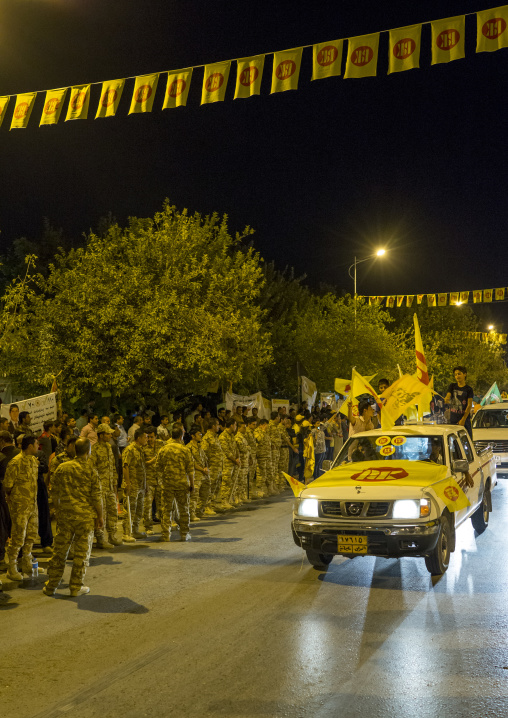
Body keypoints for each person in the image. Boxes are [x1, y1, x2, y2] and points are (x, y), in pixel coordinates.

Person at [43, 438, 103, 597]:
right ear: (88, 451)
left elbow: (54, 492)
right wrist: (100, 516)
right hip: (85, 518)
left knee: (59, 552)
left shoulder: (62, 468)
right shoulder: (91, 470)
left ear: (75, 450)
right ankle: (76, 587)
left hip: (65, 516)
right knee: (81, 554)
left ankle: (51, 586)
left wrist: (58, 509)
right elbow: (96, 497)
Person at [3, 436, 39, 581]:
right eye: (36, 444)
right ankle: (12, 567)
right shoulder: (15, 462)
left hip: (32, 505)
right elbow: (7, 485)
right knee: (18, 536)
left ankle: (27, 562)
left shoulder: (33, 461)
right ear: (30, 446)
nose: (38, 446)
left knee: (31, 534)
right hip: (20, 506)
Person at [156, 424, 194, 542]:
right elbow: (190, 469)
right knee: (183, 509)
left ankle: (166, 534)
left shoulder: (163, 449)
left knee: (166, 509)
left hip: (167, 484)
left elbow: (158, 467)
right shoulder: (185, 450)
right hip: (181, 484)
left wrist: (162, 480)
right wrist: (192, 484)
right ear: (181, 436)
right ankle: (184, 534)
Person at [90, 424, 123, 547]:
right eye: (107, 434)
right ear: (101, 435)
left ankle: (112, 535)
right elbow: (92, 469)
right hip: (100, 488)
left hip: (110, 486)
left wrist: (115, 483)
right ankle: (100, 539)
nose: (110, 435)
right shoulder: (94, 450)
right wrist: (96, 487)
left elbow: (113, 466)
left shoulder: (109, 447)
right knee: (101, 514)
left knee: (113, 511)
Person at [121, 428, 147, 542]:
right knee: (130, 509)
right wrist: (127, 483)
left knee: (139, 509)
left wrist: (145, 484)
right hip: (132, 484)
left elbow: (143, 468)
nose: (146, 439)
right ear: (139, 438)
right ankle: (126, 533)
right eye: (145, 437)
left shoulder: (140, 449)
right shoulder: (129, 449)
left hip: (140, 484)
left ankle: (135, 530)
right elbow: (125, 466)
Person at [142, 427, 164, 534]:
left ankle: (165, 526)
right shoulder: (143, 447)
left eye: (151, 437)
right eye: (148, 437)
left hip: (159, 479)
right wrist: (152, 460)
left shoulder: (161, 444)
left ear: (156, 436)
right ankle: (148, 527)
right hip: (149, 479)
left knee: (162, 504)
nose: (149, 439)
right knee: (147, 504)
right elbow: (142, 463)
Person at [0, 430, 17, 567]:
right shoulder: (20, 455)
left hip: (5, 494)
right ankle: (19, 558)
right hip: (19, 498)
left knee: (4, 523)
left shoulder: (2, 457)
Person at [200, 418, 223, 515]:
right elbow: (203, 453)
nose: (219, 427)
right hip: (212, 467)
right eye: (217, 425)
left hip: (218, 466)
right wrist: (205, 466)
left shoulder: (215, 437)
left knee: (216, 486)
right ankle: (207, 506)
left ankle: (213, 504)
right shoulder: (207, 438)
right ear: (213, 426)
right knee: (210, 486)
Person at [444, 366, 474, 437]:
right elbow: (448, 394)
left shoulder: (469, 389)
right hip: (453, 420)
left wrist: (463, 419)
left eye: (459, 374)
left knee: (466, 439)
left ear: (465, 374)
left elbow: (469, 405)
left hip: (464, 421)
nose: (457, 376)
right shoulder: (452, 386)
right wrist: (447, 398)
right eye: (455, 374)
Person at [187, 426, 210, 520]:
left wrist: (206, 467)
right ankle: (191, 514)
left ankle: (200, 511)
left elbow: (205, 459)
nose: (200, 435)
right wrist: (202, 469)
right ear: (193, 436)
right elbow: (191, 462)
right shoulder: (188, 447)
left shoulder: (200, 446)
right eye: (198, 434)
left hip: (204, 474)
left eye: (201, 434)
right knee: (194, 495)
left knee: (205, 493)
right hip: (196, 474)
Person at [219, 417, 240, 510]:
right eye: (235, 425)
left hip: (233, 462)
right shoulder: (223, 436)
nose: (236, 427)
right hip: (227, 463)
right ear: (231, 425)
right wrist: (235, 460)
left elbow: (235, 448)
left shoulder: (231, 435)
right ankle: (224, 501)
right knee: (226, 482)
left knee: (232, 482)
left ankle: (230, 499)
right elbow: (226, 451)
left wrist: (238, 458)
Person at [234, 421, 251, 504]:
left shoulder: (243, 437)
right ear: (238, 428)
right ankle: (237, 497)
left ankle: (242, 496)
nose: (245, 429)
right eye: (243, 427)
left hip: (245, 462)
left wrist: (247, 448)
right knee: (240, 481)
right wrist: (248, 447)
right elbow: (242, 448)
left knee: (244, 481)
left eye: (245, 427)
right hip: (241, 462)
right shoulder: (238, 437)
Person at [254, 419, 272, 497]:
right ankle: (260, 490)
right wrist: (263, 431)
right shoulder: (257, 431)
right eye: (265, 425)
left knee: (269, 472)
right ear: (261, 425)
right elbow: (259, 439)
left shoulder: (266, 432)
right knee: (261, 473)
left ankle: (268, 489)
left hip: (267, 455)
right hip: (261, 456)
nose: (267, 426)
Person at [267, 411, 282, 494]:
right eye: (279, 417)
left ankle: (274, 485)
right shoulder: (269, 426)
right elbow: (267, 436)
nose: (279, 418)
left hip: (277, 450)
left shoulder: (276, 426)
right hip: (272, 450)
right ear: (276, 417)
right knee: (271, 468)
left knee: (275, 468)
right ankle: (270, 487)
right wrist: (271, 444)